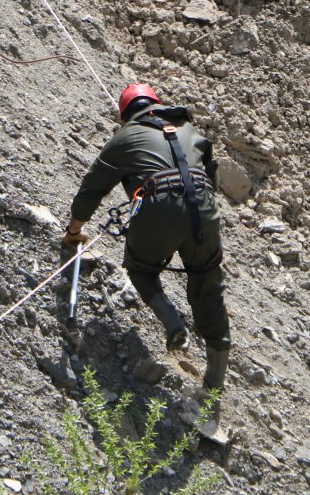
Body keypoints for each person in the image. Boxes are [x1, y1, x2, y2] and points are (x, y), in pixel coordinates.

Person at [62, 84, 230, 398]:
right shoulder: (188, 128)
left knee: (141, 268)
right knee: (209, 285)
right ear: (156, 104)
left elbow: (92, 190)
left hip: (159, 210)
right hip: (204, 210)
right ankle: (215, 384)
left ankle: (171, 321)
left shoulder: (124, 138)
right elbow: (214, 177)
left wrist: (74, 232)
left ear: (124, 115)